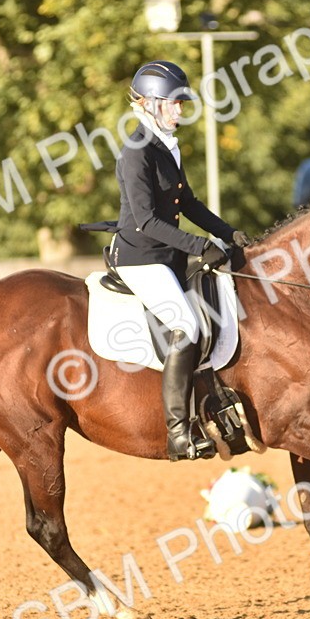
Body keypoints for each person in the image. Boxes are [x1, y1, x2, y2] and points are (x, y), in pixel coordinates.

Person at [110, 60, 251, 461]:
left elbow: (187, 202)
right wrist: (197, 245)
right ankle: (177, 433)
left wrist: (227, 232)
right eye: (174, 103)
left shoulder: (165, 145)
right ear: (152, 103)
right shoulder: (137, 152)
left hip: (166, 253)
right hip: (140, 257)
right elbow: (147, 220)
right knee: (185, 323)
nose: (181, 110)